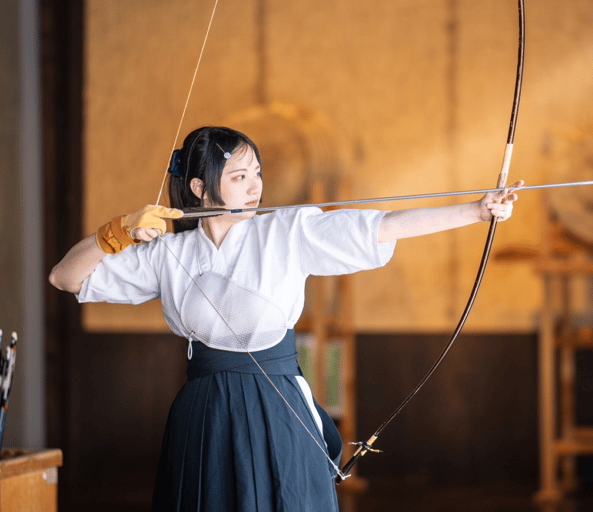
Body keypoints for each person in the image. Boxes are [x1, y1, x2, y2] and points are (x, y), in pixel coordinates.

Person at [49, 126, 520, 511]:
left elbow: (383, 227)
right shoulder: (168, 252)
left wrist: (477, 211)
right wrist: (117, 231)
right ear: (200, 187)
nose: (255, 186)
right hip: (205, 411)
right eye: (239, 176)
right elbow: (65, 278)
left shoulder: (288, 230)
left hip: (278, 406)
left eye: (257, 173)